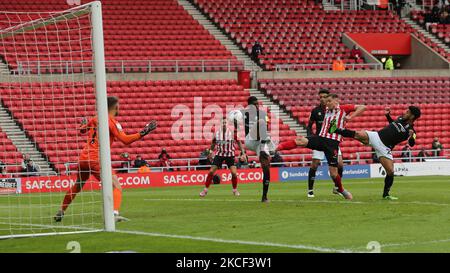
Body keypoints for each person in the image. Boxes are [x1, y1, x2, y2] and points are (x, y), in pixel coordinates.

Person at [54, 96, 157, 222]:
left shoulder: (96, 118)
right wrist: (144, 132)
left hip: (83, 158)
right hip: (97, 159)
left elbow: (82, 130)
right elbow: (125, 140)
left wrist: (83, 124)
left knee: (78, 185)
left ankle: (61, 210)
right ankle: (113, 214)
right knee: (116, 186)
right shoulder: (113, 123)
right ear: (115, 107)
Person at [278, 94, 366, 200]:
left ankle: (341, 189)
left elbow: (363, 107)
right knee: (300, 140)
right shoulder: (325, 110)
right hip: (320, 139)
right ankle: (276, 149)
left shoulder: (344, 109)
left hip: (332, 143)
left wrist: (350, 117)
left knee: (334, 173)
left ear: (336, 101)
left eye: (329, 101)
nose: (327, 103)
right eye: (326, 101)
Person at [331, 106, 420, 200]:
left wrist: (411, 137)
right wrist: (387, 116)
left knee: (390, 172)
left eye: (408, 112)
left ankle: (386, 194)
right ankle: (335, 129)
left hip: (385, 148)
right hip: (377, 136)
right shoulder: (401, 118)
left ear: (412, 116)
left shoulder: (412, 131)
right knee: (358, 134)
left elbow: (412, 144)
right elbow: (394, 125)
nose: (405, 112)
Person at [305, 88, 344, 198]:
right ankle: (310, 190)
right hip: (320, 141)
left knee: (340, 164)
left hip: (332, 141)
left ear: (329, 99)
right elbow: (309, 125)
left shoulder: (336, 110)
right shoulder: (315, 111)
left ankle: (337, 188)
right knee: (315, 164)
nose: (322, 99)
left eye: (324, 97)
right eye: (320, 97)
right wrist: (311, 137)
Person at [241, 96, 276, 202]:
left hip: (260, 142)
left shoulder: (263, 114)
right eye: (254, 104)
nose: (257, 106)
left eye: (257, 104)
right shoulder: (244, 114)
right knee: (260, 122)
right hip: (250, 140)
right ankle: (269, 144)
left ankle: (264, 196)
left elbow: (266, 127)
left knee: (266, 169)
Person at [199, 118, 246, 197]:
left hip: (230, 155)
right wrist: (210, 152)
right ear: (220, 124)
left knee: (234, 173)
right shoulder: (217, 133)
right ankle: (205, 190)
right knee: (211, 172)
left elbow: (239, 142)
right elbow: (213, 143)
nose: (224, 124)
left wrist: (243, 153)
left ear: (227, 124)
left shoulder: (232, 133)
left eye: (225, 122)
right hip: (219, 155)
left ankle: (235, 190)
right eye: (223, 122)